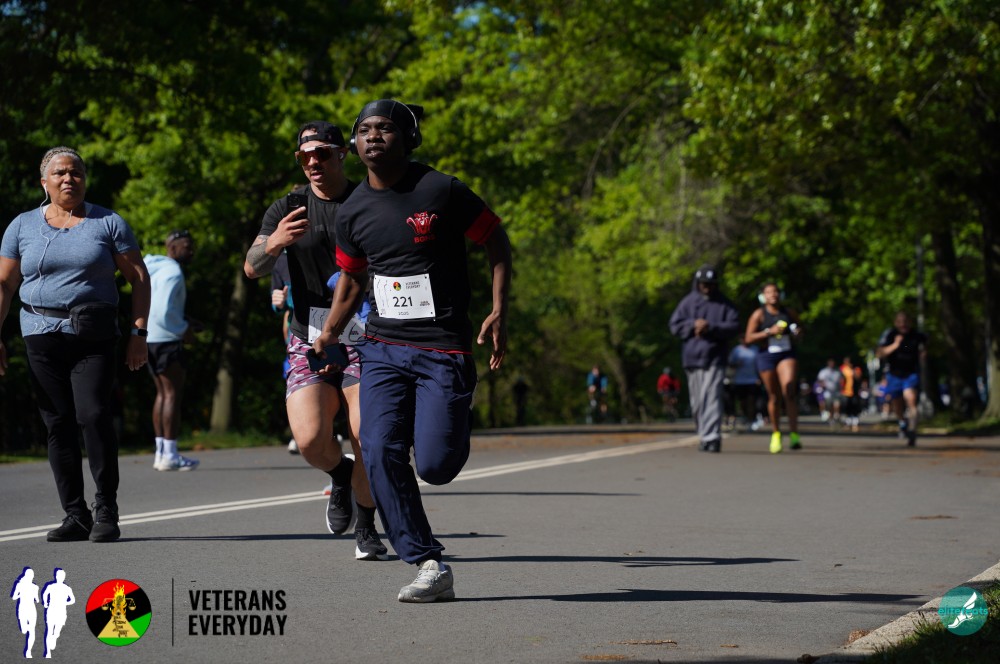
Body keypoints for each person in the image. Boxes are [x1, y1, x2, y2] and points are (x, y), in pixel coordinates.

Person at [313, 98, 512, 602]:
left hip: (443, 347)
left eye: (384, 128)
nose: (373, 136)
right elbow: (352, 279)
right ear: (354, 143)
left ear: (408, 137)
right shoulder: (352, 211)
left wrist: (498, 309)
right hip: (381, 346)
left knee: (437, 467)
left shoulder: (440, 190)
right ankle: (426, 561)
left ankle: (454, 414)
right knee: (378, 448)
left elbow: (495, 239)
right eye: (364, 130)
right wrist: (330, 330)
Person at [244, 121, 387, 560]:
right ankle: (340, 474)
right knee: (309, 440)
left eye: (322, 153)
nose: (313, 162)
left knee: (364, 433)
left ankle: (367, 526)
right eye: (304, 156)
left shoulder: (369, 200)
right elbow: (251, 267)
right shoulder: (287, 207)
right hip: (308, 335)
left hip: (364, 332)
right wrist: (275, 243)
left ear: (343, 153)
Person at [0, 147, 150, 543]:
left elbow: (139, 277)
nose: (69, 179)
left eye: (76, 173)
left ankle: (106, 508)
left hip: (92, 336)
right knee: (57, 423)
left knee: (93, 415)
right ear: (44, 182)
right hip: (39, 334)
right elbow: (5, 284)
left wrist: (138, 334)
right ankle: (75, 514)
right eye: (60, 173)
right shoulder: (21, 226)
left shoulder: (108, 223)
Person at [668, 264, 740, 453]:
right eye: (703, 283)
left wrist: (711, 327)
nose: (707, 287)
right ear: (698, 283)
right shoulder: (688, 303)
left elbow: (734, 326)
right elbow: (674, 325)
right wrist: (693, 325)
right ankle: (704, 434)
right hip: (692, 358)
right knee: (698, 401)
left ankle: (712, 437)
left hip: (715, 357)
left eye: (710, 283)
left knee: (712, 396)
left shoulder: (725, 304)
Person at [144, 229, 200, 471]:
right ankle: (170, 454)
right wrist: (184, 329)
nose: (191, 250)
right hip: (167, 340)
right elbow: (163, 311)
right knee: (171, 395)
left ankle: (161, 453)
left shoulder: (155, 269)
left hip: (149, 338)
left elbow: (155, 306)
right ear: (173, 247)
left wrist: (185, 320)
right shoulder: (173, 272)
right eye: (187, 245)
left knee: (162, 394)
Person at [745, 283, 803, 453]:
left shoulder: (789, 313)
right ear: (763, 296)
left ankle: (794, 434)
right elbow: (748, 338)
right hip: (767, 356)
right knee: (774, 396)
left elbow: (801, 330)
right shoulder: (759, 314)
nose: (773, 295)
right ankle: (776, 433)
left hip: (786, 354)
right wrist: (769, 332)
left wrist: (798, 333)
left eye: (776, 291)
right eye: (769, 292)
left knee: (789, 390)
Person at [875, 311, 927, 446]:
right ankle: (903, 422)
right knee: (897, 405)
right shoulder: (890, 334)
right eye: (900, 322)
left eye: (906, 321)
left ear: (910, 322)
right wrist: (895, 345)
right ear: (895, 323)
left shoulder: (917, 336)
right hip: (894, 374)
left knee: (911, 399)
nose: (903, 324)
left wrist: (923, 354)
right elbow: (879, 353)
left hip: (911, 373)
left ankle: (912, 430)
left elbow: (924, 348)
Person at [727, 337, 762, 430]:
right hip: (739, 380)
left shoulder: (755, 349)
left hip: (753, 380)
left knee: (752, 401)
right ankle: (745, 417)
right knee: (743, 402)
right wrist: (737, 364)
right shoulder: (736, 350)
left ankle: (751, 420)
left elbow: (760, 364)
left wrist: (759, 378)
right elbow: (730, 364)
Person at [41, 568, 74, 658]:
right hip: (51, 610)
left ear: (64, 577)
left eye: (62, 576)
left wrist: (65, 603)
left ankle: (54, 637)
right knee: (49, 630)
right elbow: (45, 594)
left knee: (56, 633)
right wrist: (45, 602)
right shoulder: (51, 586)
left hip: (61, 612)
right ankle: (47, 652)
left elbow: (73, 600)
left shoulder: (67, 588)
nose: (60, 577)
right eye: (59, 576)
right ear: (56, 576)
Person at [10, 567, 39, 658]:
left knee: (32, 630)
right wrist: (21, 594)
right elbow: (37, 600)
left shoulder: (34, 587)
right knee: (24, 630)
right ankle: (28, 650)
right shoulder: (20, 585)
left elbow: (14, 597)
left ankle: (28, 651)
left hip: (30, 609)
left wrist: (21, 595)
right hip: (24, 609)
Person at [816, 357, 844, 424]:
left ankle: (836, 415)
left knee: (837, 404)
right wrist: (823, 385)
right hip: (828, 392)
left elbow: (842, 380)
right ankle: (831, 417)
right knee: (829, 406)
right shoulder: (824, 371)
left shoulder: (838, 372)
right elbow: (820, 380)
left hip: (836, 392)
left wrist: (842, 387)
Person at [840, 356, 862, 432]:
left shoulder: (856, 369)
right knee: (847, 408)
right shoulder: (843, 369)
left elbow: (858, 378)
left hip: (854, 392)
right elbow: (841, 379)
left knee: (855, 408)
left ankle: (855, 423)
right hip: (846, 392)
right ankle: (848, 423)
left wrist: (853, 372)